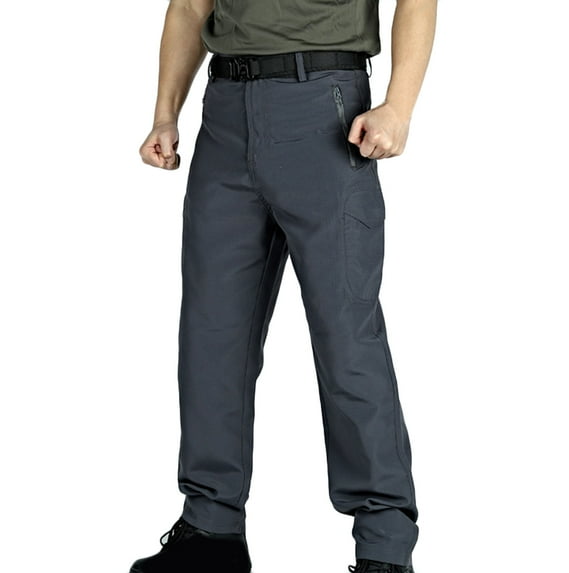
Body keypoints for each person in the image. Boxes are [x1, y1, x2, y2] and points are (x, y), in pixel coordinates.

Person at [133, 0, 437, 572]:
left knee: (345, 337)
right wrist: (165, 114)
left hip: (324, 106)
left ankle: (384, 547)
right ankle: (211, 529)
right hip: (225, 113)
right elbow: (191, 6)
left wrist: (398, 106)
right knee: (211, 336)